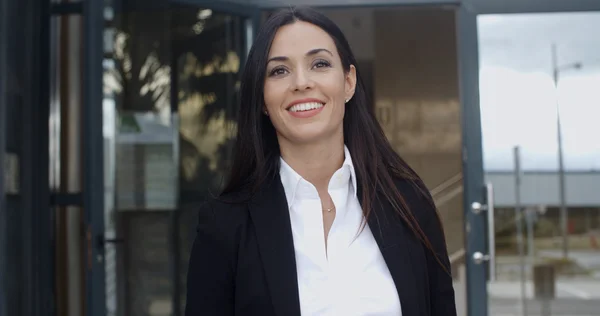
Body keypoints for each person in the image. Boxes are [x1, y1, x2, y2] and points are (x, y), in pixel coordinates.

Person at [185, 6, 456, 316]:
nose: (301, 82)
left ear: (349, 82)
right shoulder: (225, 224)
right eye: (279, 71)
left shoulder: (409, 203)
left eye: (320, 64)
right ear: (262, 98)